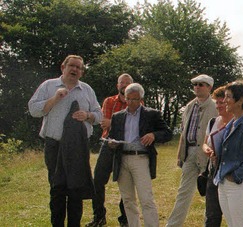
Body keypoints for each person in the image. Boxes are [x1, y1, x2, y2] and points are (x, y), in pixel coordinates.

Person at [28, 55, 103, 226]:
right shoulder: (48, 86)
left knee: (76, 190)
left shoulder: (87, 90)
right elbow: (33, 109)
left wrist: (88, 115)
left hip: (78, 147)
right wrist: (55, 99)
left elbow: (100, 116)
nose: (75, 69)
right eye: (72, 66)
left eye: (79, 67)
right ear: (63, 67)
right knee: (57, 190)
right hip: (54, 145)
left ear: (82, 72)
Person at [108, 83, 172, 227]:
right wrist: (111, 143)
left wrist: (153, 135)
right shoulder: (117, 117)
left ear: (141, 99)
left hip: (141, 158)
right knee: (128, 200)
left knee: (146, 198)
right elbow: (112, 136)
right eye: (128, 99)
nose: (131, 102)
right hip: (122, 158)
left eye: (135, 99)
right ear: (125, 98)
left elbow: (167, 133)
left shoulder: (151, 114)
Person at [166, 74, 218, 227]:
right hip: (189, 153)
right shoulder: (189, 106)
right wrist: (181, 155)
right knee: (183, 192)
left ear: (209, 87)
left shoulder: (216, 106)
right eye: (195, 84)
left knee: (210, 194)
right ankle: (173, 225)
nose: (197, 87)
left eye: (201, 84)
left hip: (208, 154)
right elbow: (184, 131)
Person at [212, 81, 243, 227]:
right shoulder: (230, 125)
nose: (224, 100)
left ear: (240, 100)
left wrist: (235, 176)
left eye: (228, 97)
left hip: (239, 186)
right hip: (223, 184)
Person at [87, 73, 135, 227]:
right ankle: (99, 217)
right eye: (122, 83)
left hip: (126, 147)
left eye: (128, 83)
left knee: (126, 184)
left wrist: (114, 123)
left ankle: (125, 220)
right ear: (117, 85)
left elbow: (134, 128)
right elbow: (104, 123)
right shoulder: (109, 101)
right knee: (98, 181)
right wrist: (121, 125)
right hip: (108, 145)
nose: (125, 85)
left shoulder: (136, 103)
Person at [202, 85, 233, 227]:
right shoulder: (213, 122)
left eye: (222, 102)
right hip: (213, 171)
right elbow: (204, 143)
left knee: (232, 214)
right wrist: (207, 150)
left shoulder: (236, 123)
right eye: (217, 103)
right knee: (211, 214)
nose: (219, 106)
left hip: (230, 172)